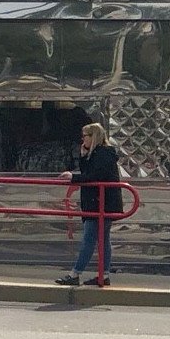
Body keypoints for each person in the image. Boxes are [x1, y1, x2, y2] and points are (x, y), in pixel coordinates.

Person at [56, 122, 122, 286]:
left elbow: (93, 176)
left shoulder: (102, 154)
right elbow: (89, 172)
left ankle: (75, 273)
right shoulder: (100, 153)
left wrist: (73, 177)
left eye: (85, 135)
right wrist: (84, 155)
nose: (82, 139)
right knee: (103, 240)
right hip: (102, 204)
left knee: (89, 239)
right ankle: (104, 275)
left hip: (99, 204)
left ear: (93, 137)